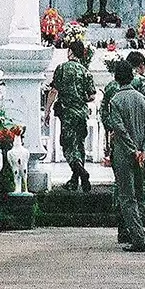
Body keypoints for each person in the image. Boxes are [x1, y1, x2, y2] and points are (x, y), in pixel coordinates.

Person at [104, 58, 145, 252]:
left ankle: (138, 237)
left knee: (127, 197)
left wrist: (133, 150)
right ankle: (138, 232)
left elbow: (119, 128)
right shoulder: (142, 99)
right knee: (140, 194)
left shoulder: (115, 100)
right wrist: (144, 149)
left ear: (117, 78)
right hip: (141, 155)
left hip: (125, 155)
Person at [47, 38, 94, 192]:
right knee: (79, 145)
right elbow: (92, 96)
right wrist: (80, 98)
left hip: (67, 113)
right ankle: (74, 181)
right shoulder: (85, 71)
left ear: (70, 52)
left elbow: (54, 91)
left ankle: (81, 172)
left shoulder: (61, 68)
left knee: (67, 145)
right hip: (81, 113)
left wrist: (47, 110)